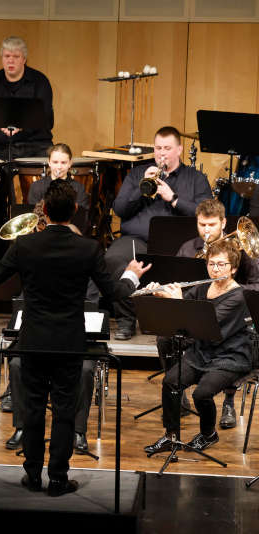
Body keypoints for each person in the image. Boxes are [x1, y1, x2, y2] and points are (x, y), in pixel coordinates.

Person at [0, 180, 149, 496]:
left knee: (34, 408)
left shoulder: (25, 246)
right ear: (75, 212)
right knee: (65, 411)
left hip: (33, 341)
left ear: (45, 211)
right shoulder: (89, 248)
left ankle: (32, 475)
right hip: (69, 342)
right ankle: (58, 478)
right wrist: (132, 274)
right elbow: (114, 294)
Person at [144, 240, 252, 456]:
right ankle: (171, 436)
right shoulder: (203, 287)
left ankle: (208, 433)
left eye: (222, 265)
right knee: (171, 381)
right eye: (212, 264)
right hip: (203, 351)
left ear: (233, 269)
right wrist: (162, 297)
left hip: (230, 355)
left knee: (202, 393)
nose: (216, 269)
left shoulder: (238, 296)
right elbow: (182, 316)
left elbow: (204, 323)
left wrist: (178, 302)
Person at [106, 126, 212, 340]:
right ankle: (126, 321)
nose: (162, 153)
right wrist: (141, 188)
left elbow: (206, 212)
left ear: (179, 150)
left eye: (167, 148)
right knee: (113, 259)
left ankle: (183, 325)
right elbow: (119, 209)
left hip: (180, 243)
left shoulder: (195, 178)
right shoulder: (137, 173)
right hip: (137, 241)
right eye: (158, 148)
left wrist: (173, 199)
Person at [163, 198, 259, 429]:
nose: (206, 230)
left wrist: (232, 292)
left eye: (212, 225)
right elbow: (182, 284)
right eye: (202, 225)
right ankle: (177, 397)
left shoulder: (240, 249)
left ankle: (227, 401)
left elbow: (256, 285)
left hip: (234, 319)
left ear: (223, 223)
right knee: (164, 339)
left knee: (224, 351)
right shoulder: (188, 248)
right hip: (199, 309)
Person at [0, 36, 53, 161]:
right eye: (7, 56)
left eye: (16, 57)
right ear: (2, 58)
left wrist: (21, 125)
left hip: (36, 146)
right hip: (1, 146)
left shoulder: (40, 81)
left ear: (24, 59)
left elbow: (46, 116)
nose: (11, 61)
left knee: (41, 180)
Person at [26, 143, 90, 211]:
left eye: (63, 163)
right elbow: (34, 216)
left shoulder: (79, 188)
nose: (59, 167)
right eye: (55, 162)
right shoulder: (36, 187)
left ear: (70, 164)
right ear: (49, 162)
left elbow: (81, 216)